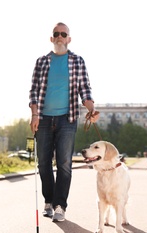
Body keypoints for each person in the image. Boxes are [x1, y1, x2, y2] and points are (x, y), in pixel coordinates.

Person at [29, 22, 99, 222]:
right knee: (43, 163)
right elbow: (33, 91)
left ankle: (60, 206)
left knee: (65, 164)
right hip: (42, 119)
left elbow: (84, 90)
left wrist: (91, 109)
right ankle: (49, 202)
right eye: (56, 34)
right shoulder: (41, 61)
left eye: (63, 34)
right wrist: (34, 115)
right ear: (52, 38)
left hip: (67, 120)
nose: (60, 37)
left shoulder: (77, 61)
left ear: (69, 39)